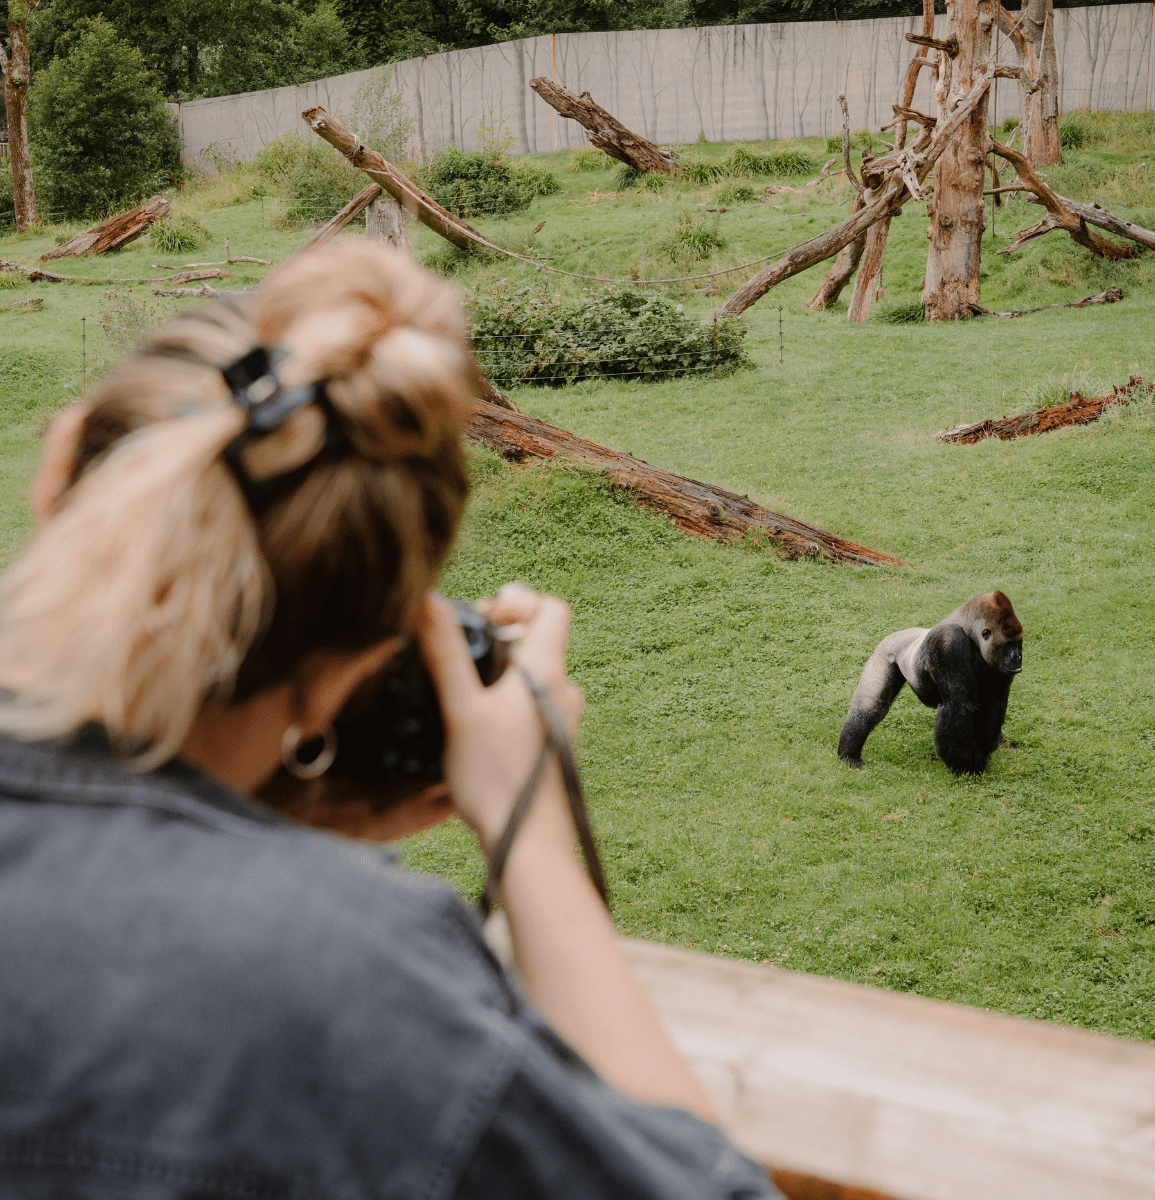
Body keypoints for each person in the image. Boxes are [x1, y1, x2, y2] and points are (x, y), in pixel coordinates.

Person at [0, 243, 779, 1199]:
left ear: (59, 473)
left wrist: (258, 825)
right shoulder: (349, 974)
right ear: (360, 666)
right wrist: (527, 828)